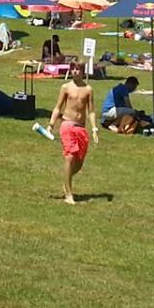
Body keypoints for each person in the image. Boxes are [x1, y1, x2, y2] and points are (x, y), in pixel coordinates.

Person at [47, 64, 99, 205]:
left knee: (79, 163)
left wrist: (94, 128)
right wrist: (51, 124)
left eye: (78, 69)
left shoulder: (88, 89)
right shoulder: (66, 87)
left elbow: (91, 111)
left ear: (82, 71)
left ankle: (66, 180)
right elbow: (58, 108)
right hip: (67, 125)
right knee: (69, 157)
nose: (75, 71)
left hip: (81, 128)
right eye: (73, 69)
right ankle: (69, 194)